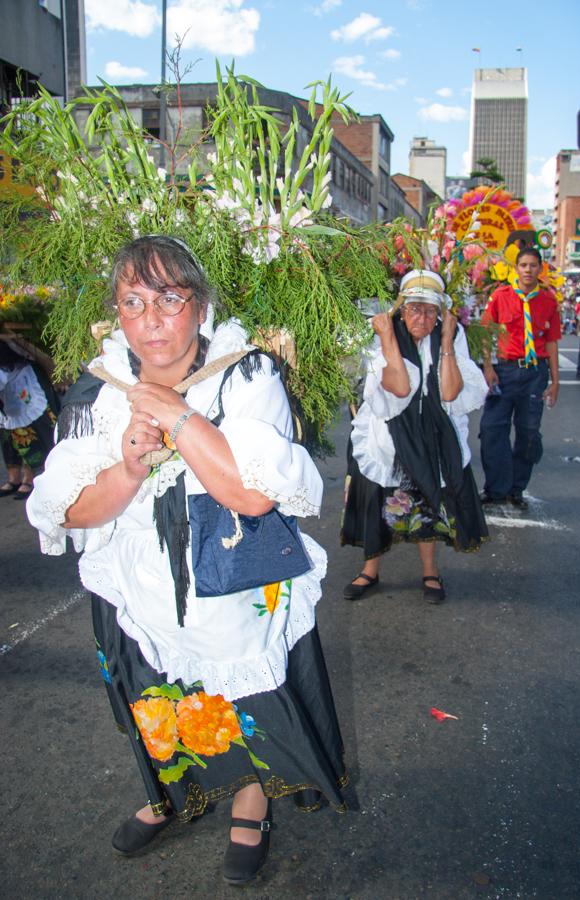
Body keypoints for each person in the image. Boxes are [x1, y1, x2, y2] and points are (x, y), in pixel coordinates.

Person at [27, 236, 345, 884]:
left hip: (227, 587)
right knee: (154, 698)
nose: (151, 320)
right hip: (136, 590)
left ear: (199, 308)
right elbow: (68, 511)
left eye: (169, 300)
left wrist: (179, 418)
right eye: (133, 302)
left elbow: (252, 494)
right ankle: (167, 792)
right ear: (117, 312)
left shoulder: (246, 374)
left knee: (246, 700)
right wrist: (127, 466)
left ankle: (251, 804)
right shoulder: (100, 391)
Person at [341, 270, 489, 604]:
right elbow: (399, 388)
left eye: (430, 310)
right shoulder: (383, 331)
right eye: (413, 309)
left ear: (440, 314)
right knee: (376, 502)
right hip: (385, 434)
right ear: (401, 309)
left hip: (432, 434)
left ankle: (430, 571)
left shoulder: (450, 334)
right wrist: (389, 339)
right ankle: (370, 570)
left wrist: (448, 341)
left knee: (428, 502)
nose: (421, 317)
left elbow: (450, 392)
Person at [479, 247, 561, 510]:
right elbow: (484, 332)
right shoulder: (500, 297)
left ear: (540, 268)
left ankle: (517, 489)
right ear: (516, 268)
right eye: (523, 265)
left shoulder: (548, 301)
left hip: (534, 374)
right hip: (504, 372)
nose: (528, 270)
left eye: (533, 265)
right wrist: (488, 367)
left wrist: (555, 381)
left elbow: (552, 344)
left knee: (528, 433)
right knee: (492, 430)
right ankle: (495, 489)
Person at [0, 337, 59, 498]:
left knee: (33, 432)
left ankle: (30, 477)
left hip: (21, 379)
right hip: (7, 390)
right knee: (9, 436)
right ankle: (15, 477)